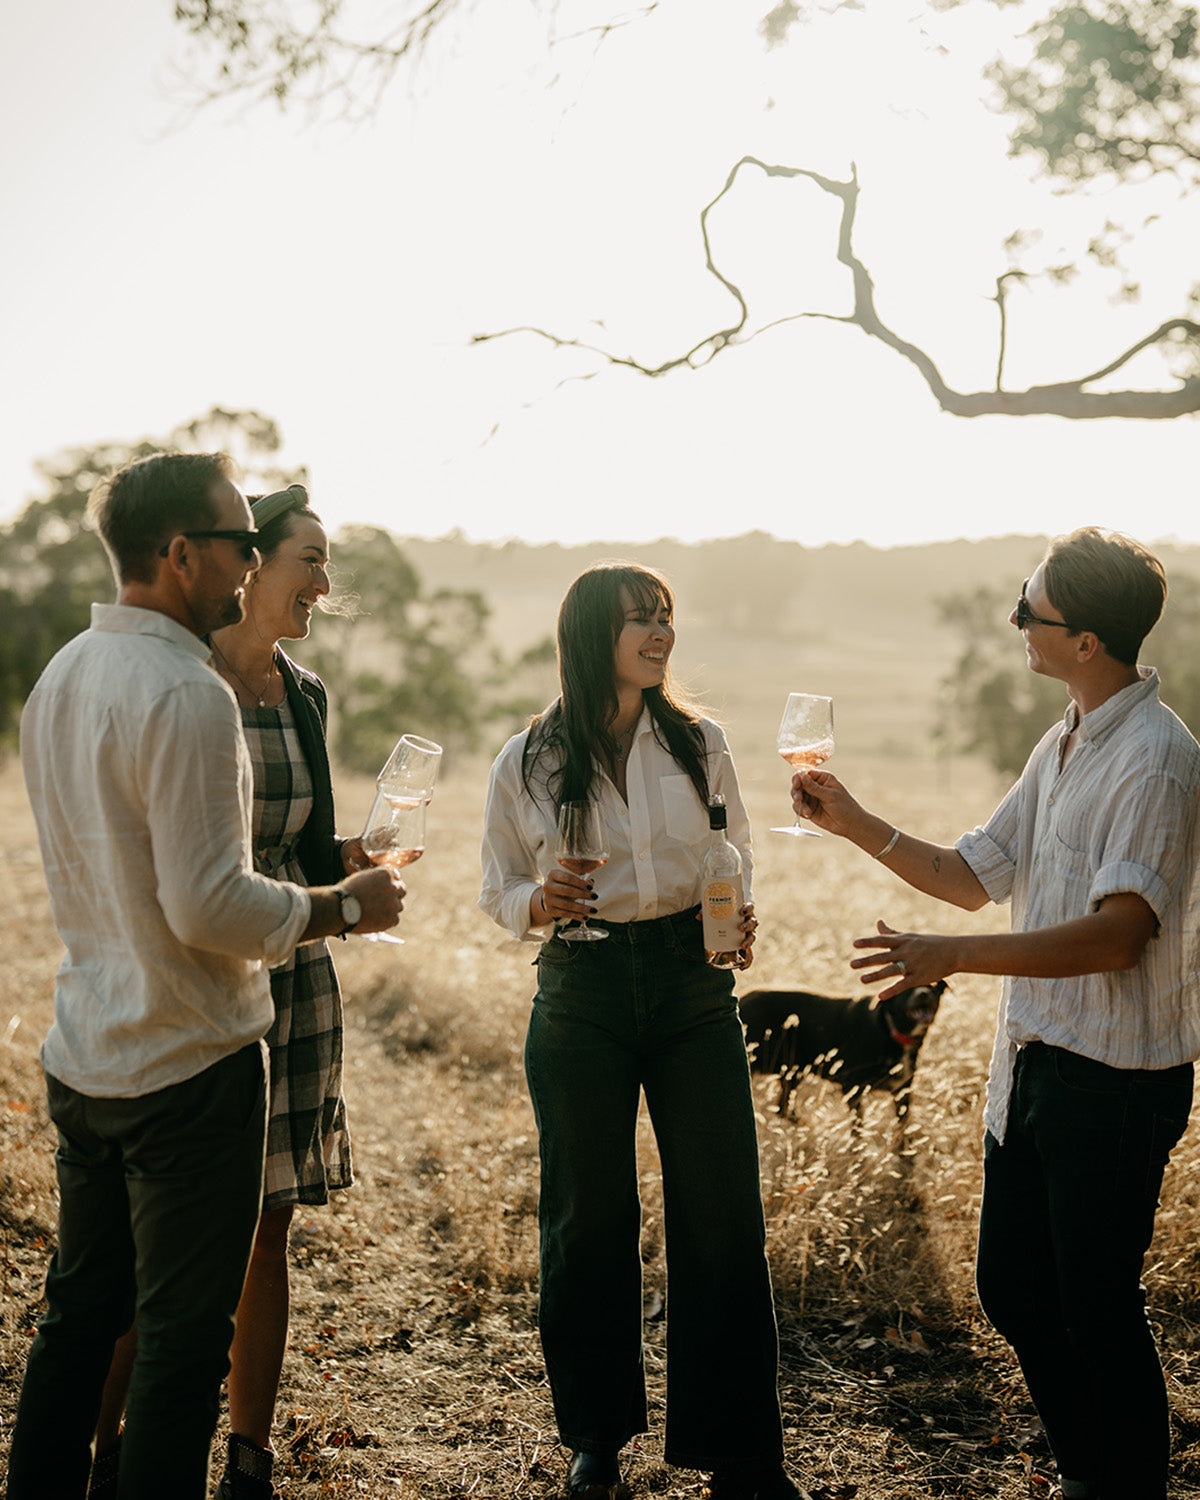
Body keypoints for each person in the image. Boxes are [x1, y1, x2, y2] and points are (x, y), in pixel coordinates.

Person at [6, 453, 404, 1500]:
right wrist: (342, 908)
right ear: (181, 554)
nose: (246, 565)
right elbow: (209, 907)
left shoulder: (64, 673)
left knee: (76, 1323)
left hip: (88, 1055)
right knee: (183, 1350)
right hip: (189, 1066)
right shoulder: (187, 693)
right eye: (238, 543)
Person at [791, 528, 1200, 1500]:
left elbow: (1115, 938)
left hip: (1116, 1080)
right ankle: (1088, 1474)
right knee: (1015, 1292)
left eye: (1031, 607)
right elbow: (972, 877)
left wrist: (948, 961)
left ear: (1087, 641)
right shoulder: (1060, 742)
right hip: (1037, 1064)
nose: (1015, 619)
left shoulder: (1155, 761)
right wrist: (851, 819)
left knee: (1098, 1308)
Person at [480, 562, 802, 1500]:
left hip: (692, 988)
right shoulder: (528, 759)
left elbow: (732, 853)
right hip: (577, 989)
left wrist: (737, 917)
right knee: (586, 1222)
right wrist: (536, 899)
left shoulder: (702, 742)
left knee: (723, 1219)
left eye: (666, 617)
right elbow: (494, 887)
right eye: (638, 621)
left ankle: (741, 1454)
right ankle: (596, 1437)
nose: (661, 634)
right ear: (591, 638)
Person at [88, 484, 364, 1499]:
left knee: (268, 1221)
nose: (322, 584)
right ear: (250, 565)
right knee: (152, 1238)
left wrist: (355, 866)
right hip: (194, 982)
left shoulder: (307, 694)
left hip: (295, 980)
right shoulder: (176, 678)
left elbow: (311, 842)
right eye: (309, 560)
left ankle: (248, 1457)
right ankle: (109, 1450)